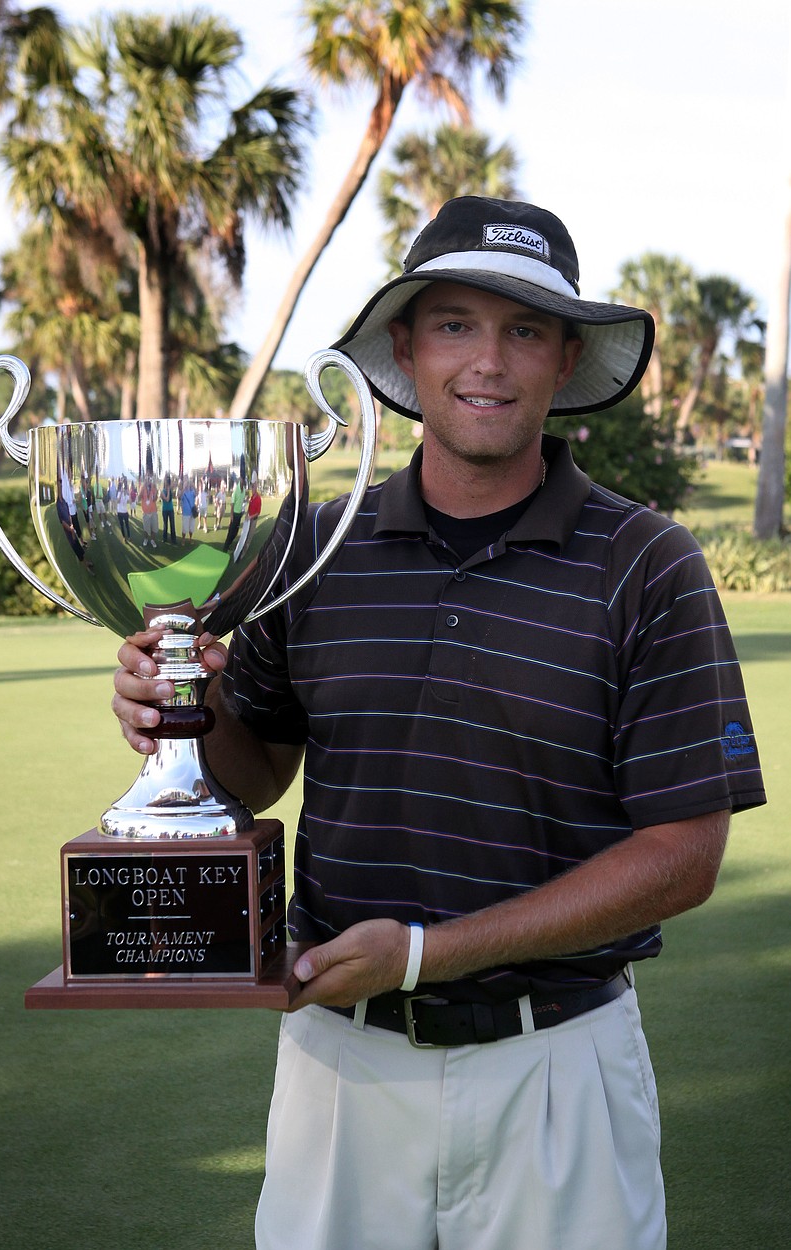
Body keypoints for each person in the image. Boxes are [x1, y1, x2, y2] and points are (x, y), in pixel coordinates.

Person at [112, 198, 765, 1250]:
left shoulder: (648, 562)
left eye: (523, 329)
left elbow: (683, 856)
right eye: (456, 323)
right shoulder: (309, 548)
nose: (488, 362)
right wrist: (182, 708)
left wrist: (428, 953)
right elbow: (255, 768)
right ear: (406, 350)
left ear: (563, 359)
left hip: (559, 1068)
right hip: (342, 1065)